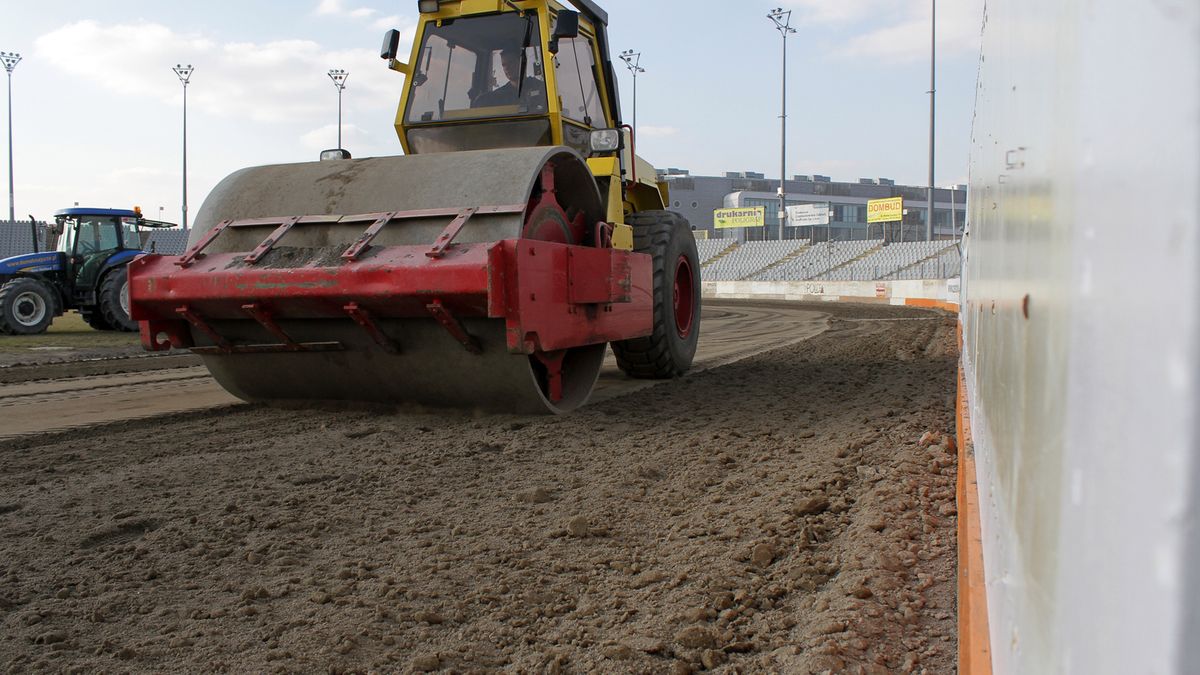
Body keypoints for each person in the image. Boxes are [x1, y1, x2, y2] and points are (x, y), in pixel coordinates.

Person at [473, 48, 545, 109]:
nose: (507, 68)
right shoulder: (498, 96)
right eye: (504, 65)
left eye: (511, 63)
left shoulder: (542, 88)